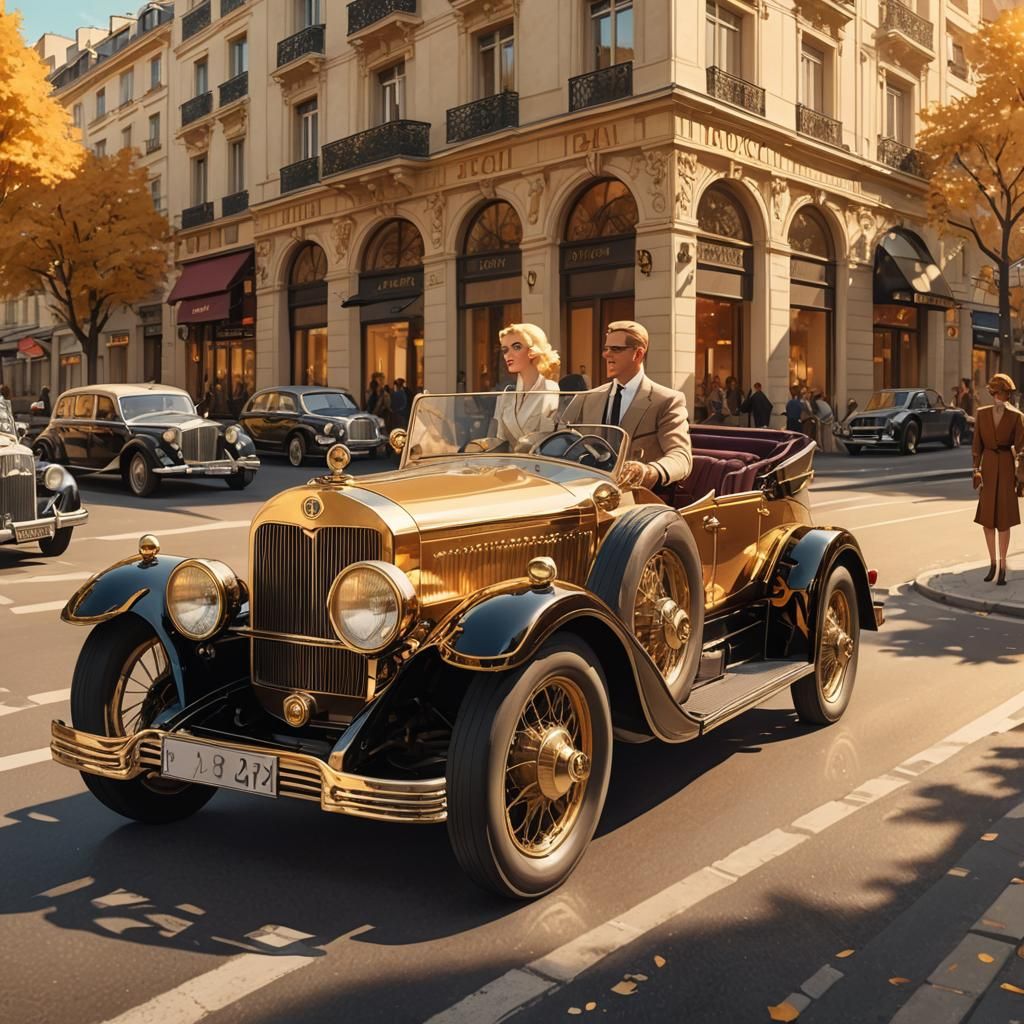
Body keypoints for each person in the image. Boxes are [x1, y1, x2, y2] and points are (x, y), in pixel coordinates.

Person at [564, 320, 692, 488]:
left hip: (636, 502)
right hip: (585, 495)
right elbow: (561, 440)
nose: (606, 355)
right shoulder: (587, 398)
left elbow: (681, 457)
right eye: (606, 348)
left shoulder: (667, 400)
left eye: (615, 349)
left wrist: (648, 471)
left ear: (638, 354)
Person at [972, 372, 1024, 586]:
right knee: (987, 520)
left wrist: (1020, 475)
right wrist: (975, 470)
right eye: (996, 391)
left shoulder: (1016, 416)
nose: (999, 396)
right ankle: (992, 563)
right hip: (988, 467)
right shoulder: (982, 414)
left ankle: (1003, 565)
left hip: (1005, 466)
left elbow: (1022, 448)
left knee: (1003, 520)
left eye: (1003, 392)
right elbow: (977, 445)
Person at [491, 323, 561, 445]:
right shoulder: (506, 396)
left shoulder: (550, 389)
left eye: (517, 347)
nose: (508, 355)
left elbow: (548, 438)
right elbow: (499, 442)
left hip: (539, 462)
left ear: (533, 351)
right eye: (505, 350)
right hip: (508, 463)